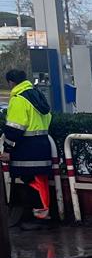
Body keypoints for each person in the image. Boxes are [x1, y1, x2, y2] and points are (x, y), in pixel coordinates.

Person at [3, 68, 54, 223]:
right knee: (40, 180)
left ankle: (37, 217)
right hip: (42, 145)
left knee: (30, 180)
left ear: (11, 82)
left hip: (26, 148)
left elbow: (14, 129)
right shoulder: (37, 95)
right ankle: (42, 214)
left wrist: (7, 149)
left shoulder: (19, 99)